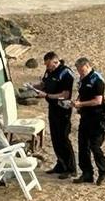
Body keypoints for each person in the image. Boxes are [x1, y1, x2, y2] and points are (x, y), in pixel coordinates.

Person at [31, 51, 77, 179]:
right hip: (52, 107)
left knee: (63, 138)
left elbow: (65, 94)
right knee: (55, 137)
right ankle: (60, 164)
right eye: (46, 66)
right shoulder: (49, 71)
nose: (47, 68)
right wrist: (33, 87)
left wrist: (47, 95)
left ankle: (71, 168)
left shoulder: (65, 73)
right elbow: (45, 84)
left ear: (55, 62)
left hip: (63, 110)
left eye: (49, 65)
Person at [72, 57, 105, 185]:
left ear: (88, 66)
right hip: (85, 117)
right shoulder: (82, 79)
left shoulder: (97, 80)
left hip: (97, 118)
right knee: (83, 145)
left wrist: (81, 104)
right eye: (78, 71)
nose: (80, 73)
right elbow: (82, 93)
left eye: (82, 70)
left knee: (95, 146)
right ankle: (87, 173)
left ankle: (103, 171)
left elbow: (98, 100)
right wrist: (77, 102)